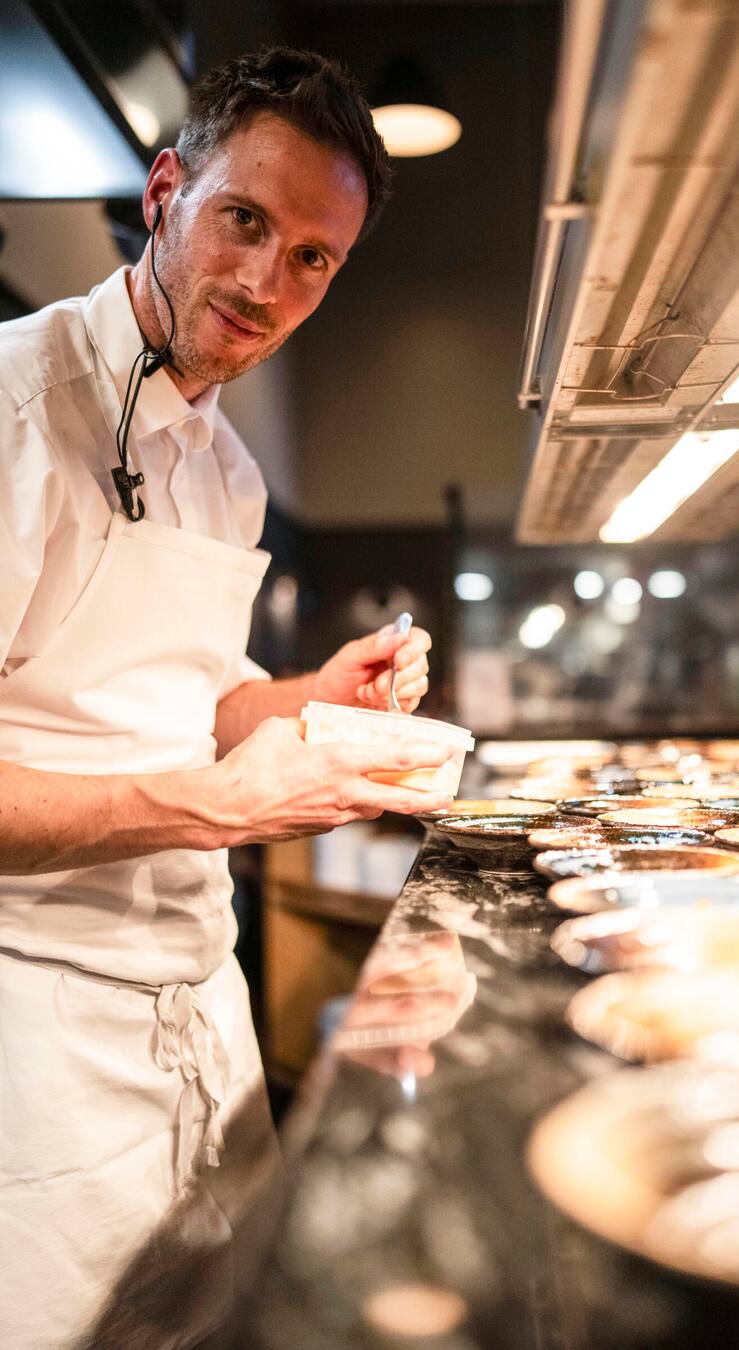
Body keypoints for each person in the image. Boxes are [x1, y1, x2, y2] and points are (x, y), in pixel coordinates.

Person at [0, 45, 453, 1350]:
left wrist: (312, 699)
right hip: (37, 1030)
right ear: (164, 193)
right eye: (244, 221)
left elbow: (196, 697)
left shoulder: (230, 468)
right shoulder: (19, 407)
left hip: (199, 997)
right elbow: (191, 774)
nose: (266, 281)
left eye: (314, 256)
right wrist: (209, 807)